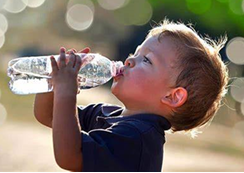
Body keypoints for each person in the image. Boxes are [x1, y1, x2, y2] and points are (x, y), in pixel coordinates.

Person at [33, 19, 229, 172]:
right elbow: (49, 114)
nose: (129, 60)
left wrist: (66, 93)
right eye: (135, 53)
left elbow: (69, 157)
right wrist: (54, 83)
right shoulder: (109, 114)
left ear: (172, 97)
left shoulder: (138, 138)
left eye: (146, 60)